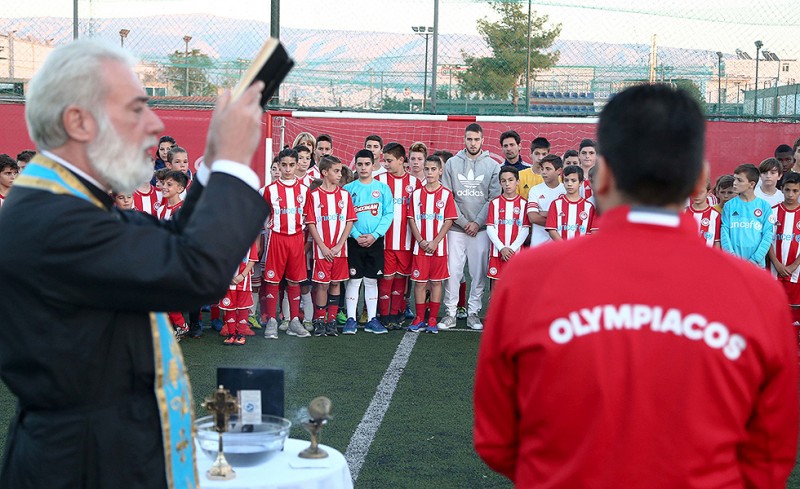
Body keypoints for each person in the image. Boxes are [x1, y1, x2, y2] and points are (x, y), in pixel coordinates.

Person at [474, 83, 799, 488]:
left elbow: (498, 440)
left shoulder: (528, 278)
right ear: (700, 179)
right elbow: (770, 458)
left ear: (602, 177)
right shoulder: (758, 293)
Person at [0, 40, 269, 489]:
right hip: (90, 467)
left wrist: (210, 167)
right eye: (136, 108)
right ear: (79, 121)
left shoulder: (63, 200)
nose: (155, 124)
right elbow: (193, 271)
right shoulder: (55, 219)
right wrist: (233, 163)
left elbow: (170, 241)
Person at [440, 123, 501, 331]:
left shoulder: (493, 166)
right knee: (453, 272)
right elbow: (448, 196)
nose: (473, 143)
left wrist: (477, 223)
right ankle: (450, 312)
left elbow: (493, 198)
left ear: (483, 140)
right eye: (469, 139)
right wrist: (465, 223)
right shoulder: (452, 163)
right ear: (464, 140)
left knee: (478, 273)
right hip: (456, 229)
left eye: (476, 139)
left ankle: (473, 312)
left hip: (481, 230)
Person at [259, 148, 312, 339]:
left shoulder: (305, 190)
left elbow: (308, 218)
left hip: (296, 239)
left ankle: (294, 321)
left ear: (297, 165)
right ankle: (272, 321)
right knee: (272, 280)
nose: (288, 169)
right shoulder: (269, 190)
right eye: (284, 165)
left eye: (291, 165)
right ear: (278, 166)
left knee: (294, 280)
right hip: (276, 239)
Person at [342, 149, 394, 334]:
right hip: (354, 241)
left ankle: (372, 319)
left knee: (371, 280)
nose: (363, 168)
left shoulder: (383, 189)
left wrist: (375, 234)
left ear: (373, 165)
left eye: (367, 164)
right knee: (354, 280)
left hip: (375, 241)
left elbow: (388, 213)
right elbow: (345, 216)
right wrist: (355, 235)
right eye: (360, 164)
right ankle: (351, 319)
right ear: (355, 166)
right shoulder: (348, 189)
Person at [304, 155, 356, 337]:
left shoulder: (344, 195)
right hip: (322, 251)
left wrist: (340, 244)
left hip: (340, 250)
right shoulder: (313, 196)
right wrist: (323, 247)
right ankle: (319, 319)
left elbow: (349, 221)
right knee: (322, 285)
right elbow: (311, 223)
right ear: (325, 172)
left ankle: (331, 320)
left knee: (335, 283)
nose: (340, 174)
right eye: (336, 171)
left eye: (340, 171)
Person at [406, 155, 458, 333]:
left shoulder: (446, 194)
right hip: (420, 248)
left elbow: (448, 221)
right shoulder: (416, 194)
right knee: (420, 283)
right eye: (427, 169)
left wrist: (435, 241)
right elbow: (411, 219)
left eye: (433, 169)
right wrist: (421, 240)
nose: (429, 172)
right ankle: (420, 317)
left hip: (439, 248)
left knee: (436, 283)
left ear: (440, 171)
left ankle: (433, 319)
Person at [376, 142, 420, 330]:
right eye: (384, 160)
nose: (385, 164)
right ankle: (384, 314)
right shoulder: (379, 180)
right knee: (386, 278)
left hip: (407, 240)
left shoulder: (415, 183)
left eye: (389, 160)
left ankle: (395, 313)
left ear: (401, 160)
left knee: (401, 278)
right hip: (384, 241)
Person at [720, 163, 773, 265]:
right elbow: (724, 232)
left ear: (751, 184)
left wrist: (754, 260)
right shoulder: (729, 206)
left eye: (739, 180)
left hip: (756, 265)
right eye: (734, 179)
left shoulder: (764, 206)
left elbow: (767, 236)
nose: (734, 183)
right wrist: (731, 257)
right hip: (733, 264)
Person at [486, 166, 529, 282]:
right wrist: (502, 248)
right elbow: (490, 227)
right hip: (497, 252)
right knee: (496, 284)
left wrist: (512, 249)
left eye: (511, 180)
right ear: (500, 183)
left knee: (515, 283)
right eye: (504, 181)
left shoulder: (524, 204)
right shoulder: (494, 203)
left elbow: (525, 229)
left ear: (517, 181)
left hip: (516, 252)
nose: (507, 184)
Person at [768, 172, 800, 326]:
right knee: (774, 309)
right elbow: (767, 240)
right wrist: (776, 263)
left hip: (796, 272)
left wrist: (794, 265)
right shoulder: (772, 212)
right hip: (775, 270)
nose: (791, 194)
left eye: (795, 191)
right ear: (781, 189)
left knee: (795, 313)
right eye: (787, 190)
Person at [220, 241, 259, 345]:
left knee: (243, 308)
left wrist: (242, 276)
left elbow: (252, 260)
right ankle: (231, 333)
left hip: (244, 281)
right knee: (229, 307)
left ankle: (241, 334)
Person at [545, 165, 597, 241]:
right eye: (566, 180)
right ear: (563, 182)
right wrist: (564, 246)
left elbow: (591, 233)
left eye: (573, 180)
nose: (569, 184)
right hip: (561, 247)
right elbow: (552, 230)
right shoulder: (556, 204)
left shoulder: (589, 206)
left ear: (580, 183)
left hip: (581, 247)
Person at [526, 154, 564, 247]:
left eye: (548, 169)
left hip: (559, 245)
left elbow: (570, 218)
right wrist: (558, 220)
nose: (544, 172)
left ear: (559, 171)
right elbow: (533, 217)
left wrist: (545, 213)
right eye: (542, 169)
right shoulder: (535, 190)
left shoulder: (566, 189)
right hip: (538, 245)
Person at [684, 178, 721, 248]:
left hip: (706, 254)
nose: (697, 195)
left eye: (701, 192)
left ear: (708, 193)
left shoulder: (715, 215)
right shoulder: (684, 213)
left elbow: (717, 241)